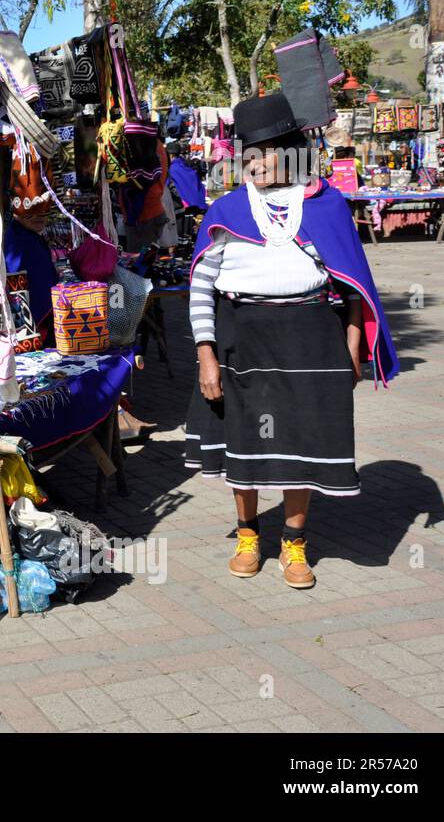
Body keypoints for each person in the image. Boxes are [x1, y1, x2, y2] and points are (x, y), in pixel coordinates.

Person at [185, 94, 398, 591]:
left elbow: (350, 284)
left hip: (311, 337)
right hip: (242, 336)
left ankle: (294, 541)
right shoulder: (226, 210)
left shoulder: (326, 206)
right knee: (244, 440)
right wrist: (205, 354)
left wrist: (351, 344)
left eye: (266, 151)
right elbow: (200, 285)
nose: (255, 162)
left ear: (295, 151)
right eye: (247, 153)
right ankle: (247, 536)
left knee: (302, 440)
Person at [3, 204, 60, 340]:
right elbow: (15, 284)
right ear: (16, 212)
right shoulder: (17, 240)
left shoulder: (29, 236)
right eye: (30, 212)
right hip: (30, 319)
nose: (37, 217)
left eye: (42, 212)